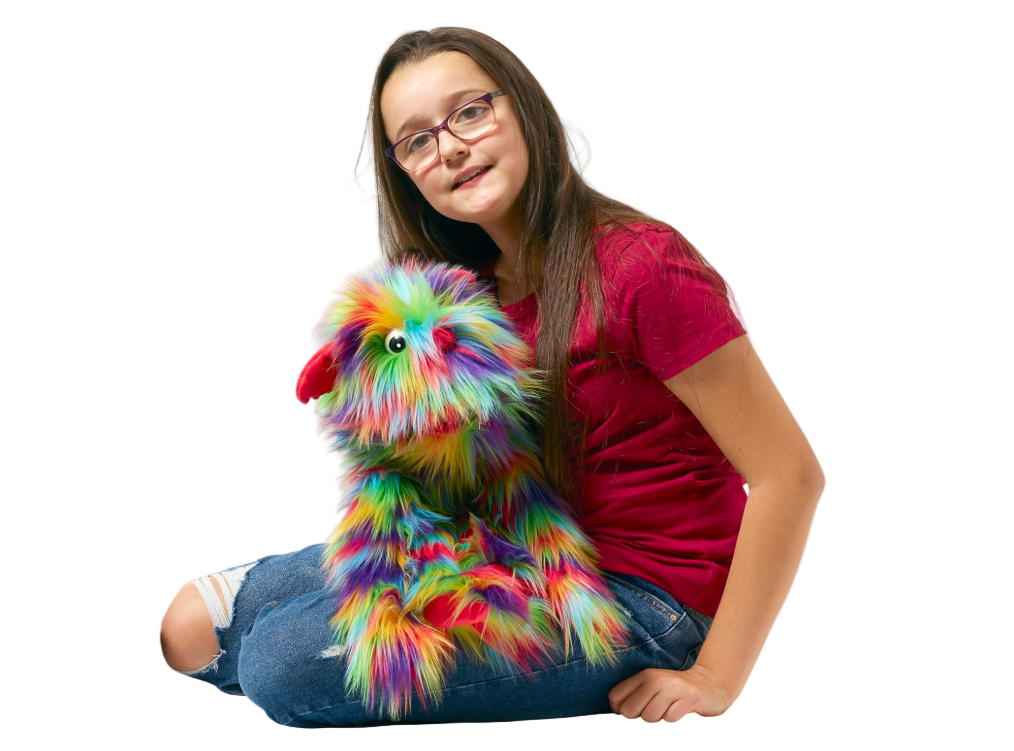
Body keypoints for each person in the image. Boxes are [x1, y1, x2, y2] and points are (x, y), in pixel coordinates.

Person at [159, 26, 826, 727]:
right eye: (417, 140)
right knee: (186, 626)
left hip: (644, 595)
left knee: (279, 659)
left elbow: (791, 472)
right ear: (406, 173)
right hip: (503, 542)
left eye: (470, 112)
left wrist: (720, 673)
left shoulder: (645, 267)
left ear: (526, 109)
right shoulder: (466, 288)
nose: (449, 146)